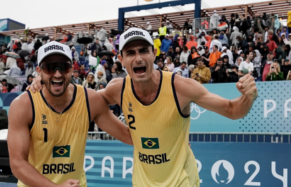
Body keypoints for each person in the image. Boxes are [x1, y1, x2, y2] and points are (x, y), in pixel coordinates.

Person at [30, 28, 258, 187]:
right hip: (142, 182)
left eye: (143, 51)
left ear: (154, 53)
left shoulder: (181, 87)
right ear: (121, 59)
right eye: (130, 53)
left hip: (181, 181)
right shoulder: (117, 88)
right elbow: (81, 100)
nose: (138, 58)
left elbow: (232, 110)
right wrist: (43, 80)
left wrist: (248, 96)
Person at [10, 41, 132, 187]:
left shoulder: (90, 100)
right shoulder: (23, 105)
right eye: (49, 67)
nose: (57, 73)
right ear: (39, 70)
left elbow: (128, 135)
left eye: (64, 67)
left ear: (72, 68)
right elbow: (17, 162)